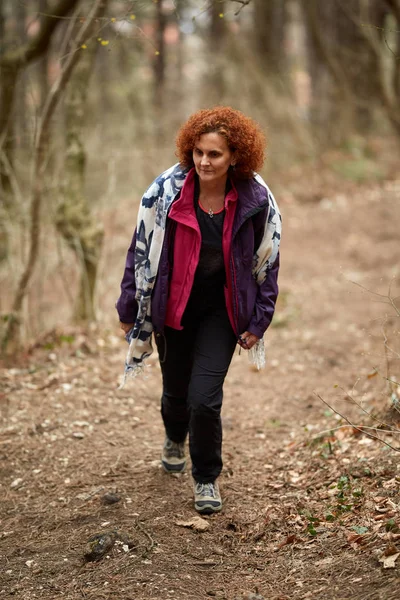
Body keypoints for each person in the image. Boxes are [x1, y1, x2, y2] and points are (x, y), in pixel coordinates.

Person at [116, 106, 281, 515]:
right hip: (173, 308)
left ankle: (206, 477)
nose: (204, 162)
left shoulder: (256, 201)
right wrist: (128, 306)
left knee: (204, 399)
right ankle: (174, 437)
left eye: (215, 155)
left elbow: (267, 263)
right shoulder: (165, 193)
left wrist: (259, 321)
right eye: (198, 153)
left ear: (235, 157)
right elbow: (139, 250)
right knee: (176, 393)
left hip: (222, 312)